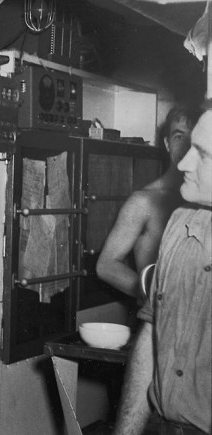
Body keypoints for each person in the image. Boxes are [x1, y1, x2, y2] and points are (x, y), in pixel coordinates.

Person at [113, 109, 212, 435]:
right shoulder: (179, 224)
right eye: (184, 143)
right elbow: (149, 341)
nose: (184, 162)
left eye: (202, 154)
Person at [96, 106, 200, 300]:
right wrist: (154, 296)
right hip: (154, 319)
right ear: (167, 144)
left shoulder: (204, 199)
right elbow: (106, 266)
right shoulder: (143, 201)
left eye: (194, 137)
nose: (186, 146)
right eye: (179, 137)